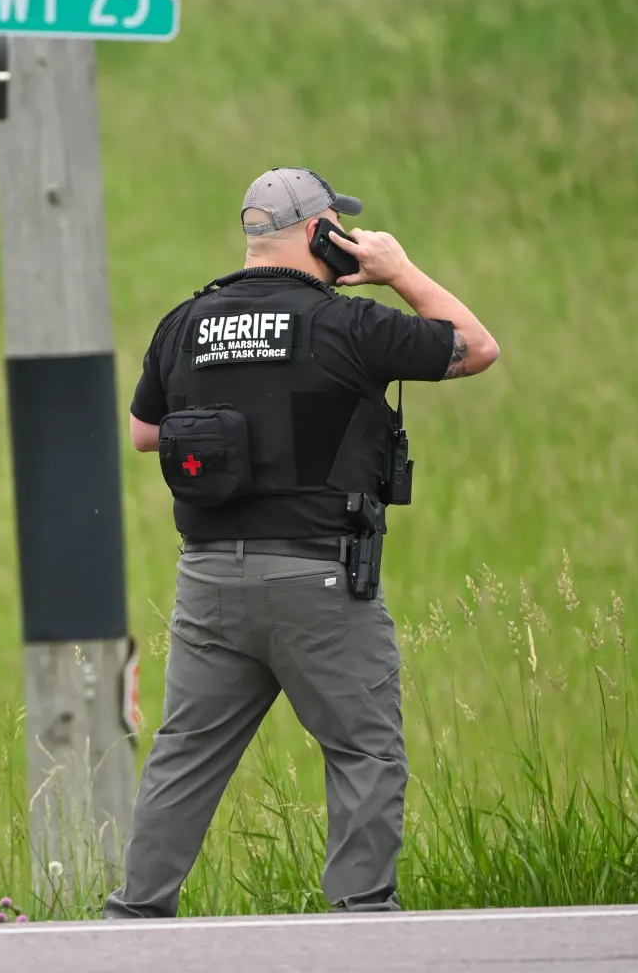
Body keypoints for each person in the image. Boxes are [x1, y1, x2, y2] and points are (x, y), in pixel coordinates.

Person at [103, 167, 499, 918]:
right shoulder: (351, 326)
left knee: (184, 757)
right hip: (319, 583)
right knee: (363, 753)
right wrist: (399, 270)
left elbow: (145, 433)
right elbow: (476, 347)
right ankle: (360, 919)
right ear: (323, 234)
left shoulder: (184, 323)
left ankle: (135, 916)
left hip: (209, 586)